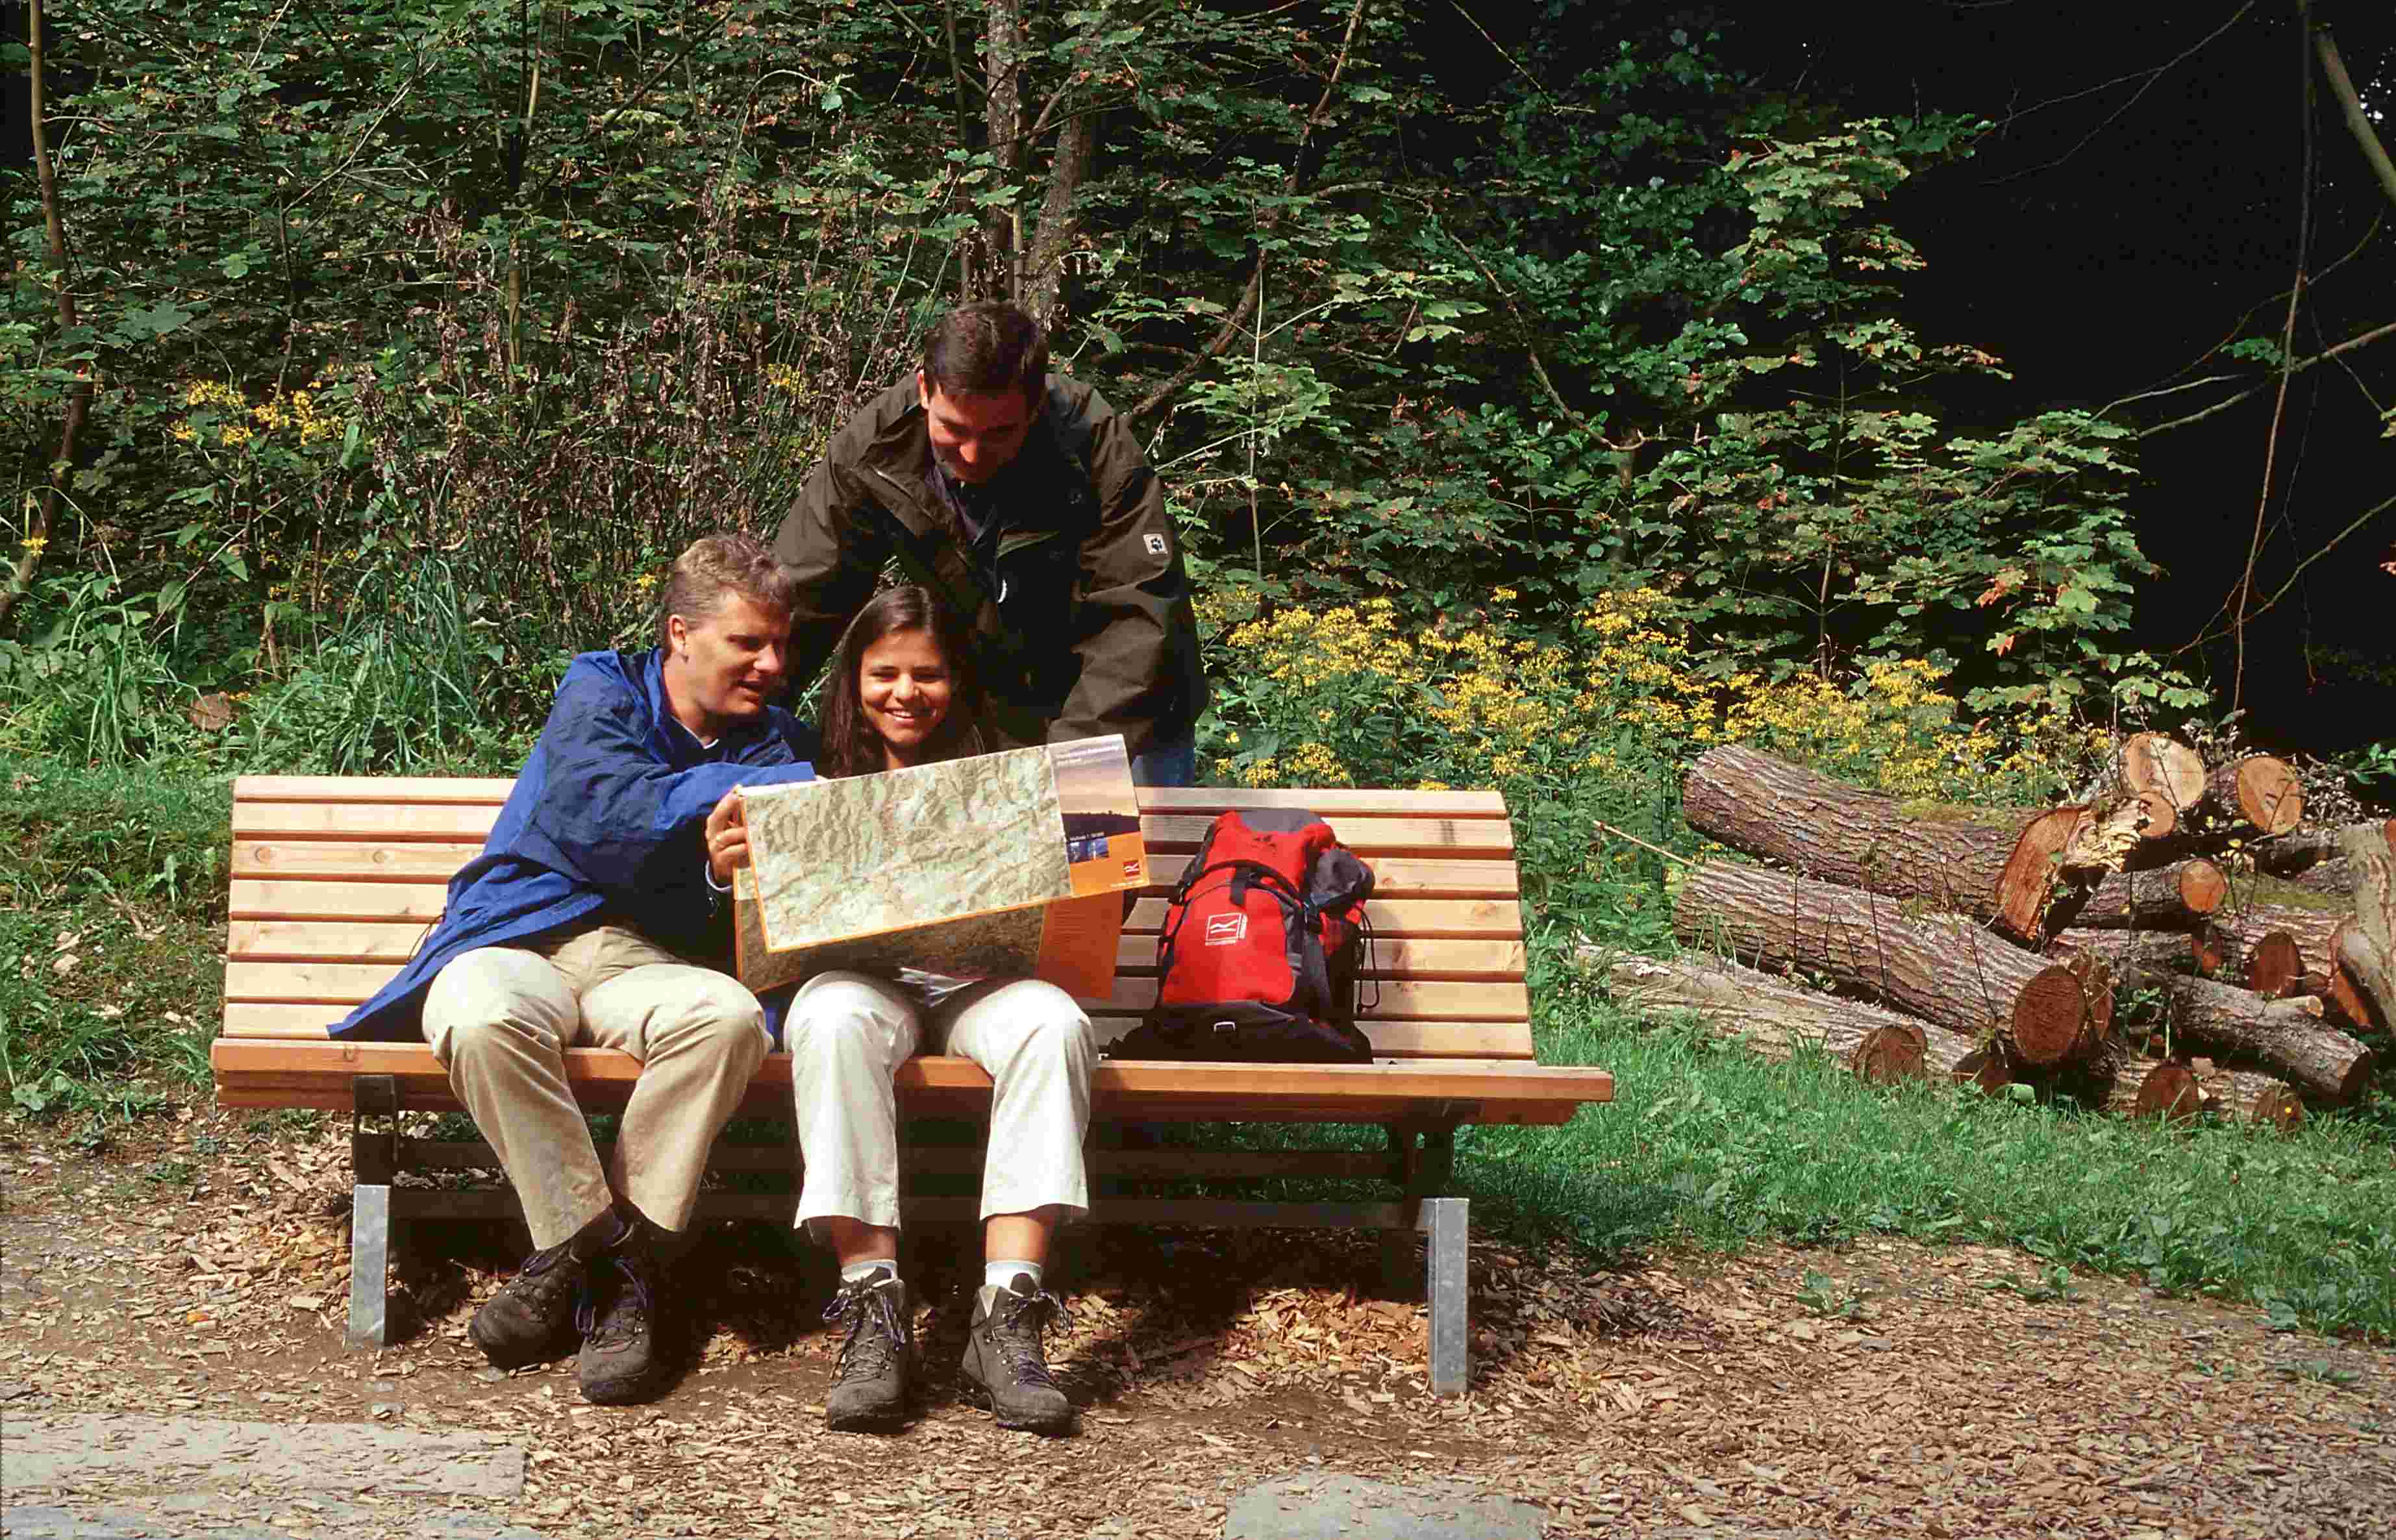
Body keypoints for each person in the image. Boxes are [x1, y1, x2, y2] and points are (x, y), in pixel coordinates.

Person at [330, 534, 821, 1406]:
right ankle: (605, 1257)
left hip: (645, 957)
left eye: (779, 644)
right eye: (748, 643)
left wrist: (715, 871)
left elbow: (747, 901)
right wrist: (709, 806)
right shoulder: (598, 687)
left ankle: (589, 1262)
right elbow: (601, 811)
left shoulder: (775, 743)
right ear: (679, 634)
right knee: (478, 1018)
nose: (771, 664)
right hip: (518, 937)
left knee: (729, 1020)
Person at [743, 586, 1096, 1435]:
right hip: (865, 984)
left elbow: (1100, 860)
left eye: (928, 675)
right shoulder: (807, 768)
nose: (906, 693)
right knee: (826, 1021)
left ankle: (1006, 1320)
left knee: (1056, 1027)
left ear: (957, 682)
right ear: (853, 679)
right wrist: (737, 867)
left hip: (985, 983)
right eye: (885, 673)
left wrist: (1095, 833)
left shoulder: (1018, 759)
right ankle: (873, 1313)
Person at [771, 300, 1206, 785]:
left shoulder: (1094, 445)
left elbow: (1138, 620)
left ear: (1037, 402)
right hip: (997, 709)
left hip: (1130, 713)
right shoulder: (875, 449)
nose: (973, 454)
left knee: (1117, 854)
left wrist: (1068, 771)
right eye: (953, 430)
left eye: (1000, 433)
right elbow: (802, 599)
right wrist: (742, 722)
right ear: (923, 390)